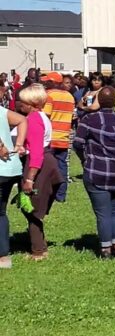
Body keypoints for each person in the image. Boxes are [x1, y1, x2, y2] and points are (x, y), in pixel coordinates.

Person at [74, 87, 115, 259]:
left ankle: (105, 249)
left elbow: (78, 143)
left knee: (103, 212)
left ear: (99, 101)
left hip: (97, 171)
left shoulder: (89, 120)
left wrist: (84, 159)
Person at [17, 84, 64, 261]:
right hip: (47, 159)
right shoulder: (42, 116)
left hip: (39, 164)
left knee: (32, 208)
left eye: (23, 101)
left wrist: (30, 178)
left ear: (31, 103)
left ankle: (38, 251)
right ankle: (40, 245)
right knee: (34, 207)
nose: (20, 104)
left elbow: (37, 152)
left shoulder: (33, 119)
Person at [0, 104, 27, 269]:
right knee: (1, 212)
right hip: (11, 169)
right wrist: (18, 144)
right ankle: (3, 256)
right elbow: (22, 120)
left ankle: (2, 255)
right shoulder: (3, 111)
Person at [41, 72, 74, 202]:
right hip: (64, 136)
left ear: (54, 82)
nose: (45, 83)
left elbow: (46, 116)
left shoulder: (49, 96)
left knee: (47, 167)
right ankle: (61, 195)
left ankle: (49, 193)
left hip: (50, 137)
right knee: (62, 166)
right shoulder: (69, 96)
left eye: (47, 81)